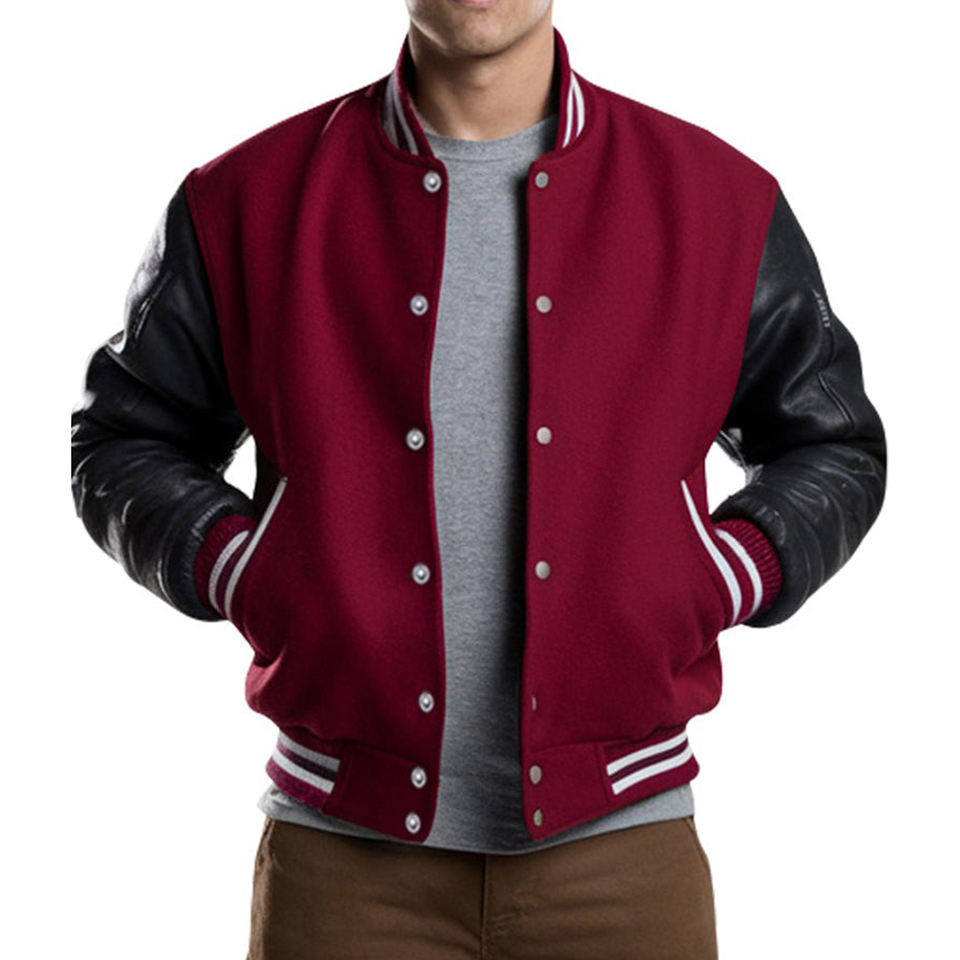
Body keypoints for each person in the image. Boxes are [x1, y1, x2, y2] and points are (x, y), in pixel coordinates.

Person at [69, 1, 887, 956]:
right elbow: (123, 438)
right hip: (341, 864)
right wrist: (245, 568)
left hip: (625, 856)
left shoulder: (720, 201)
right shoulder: (244, 200)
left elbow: (834, 443)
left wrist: (718, 572)